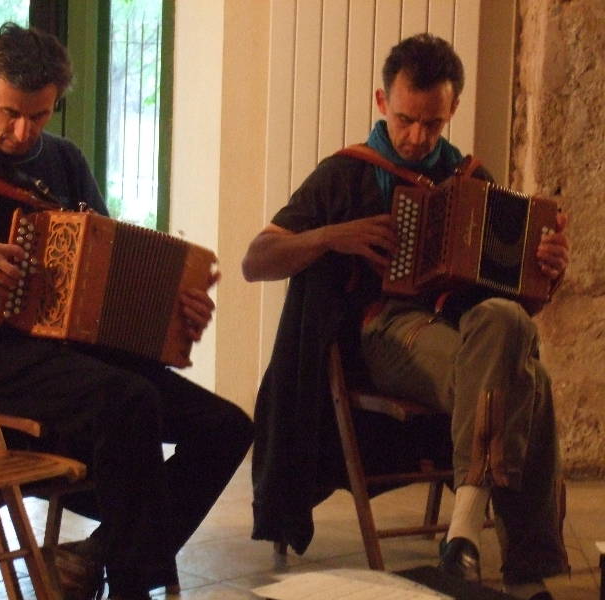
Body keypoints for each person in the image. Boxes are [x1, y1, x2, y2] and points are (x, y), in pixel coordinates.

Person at [0, 22, 253, 600]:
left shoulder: (64, 162)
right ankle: (133, 586)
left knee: (227, 427)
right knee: (127, 401)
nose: (21, 131)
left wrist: (170, 307)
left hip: (67, 358)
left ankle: (97, 553)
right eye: (10, 113)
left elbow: (110, 266)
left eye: (38, 116)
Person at [243, 33, 569, 600]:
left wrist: (548, 271)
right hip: (384, 333)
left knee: (511, 329)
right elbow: (256, 260)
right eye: (405, 121)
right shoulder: (343, 175)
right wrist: (330, 237)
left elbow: (521, 300)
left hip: (468, 331)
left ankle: (461, 537)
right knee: (529, 382)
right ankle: (524, 569)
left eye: (433, 124)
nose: (418, 138)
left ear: (453, 111)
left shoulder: (471, 179)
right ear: (381, 102)